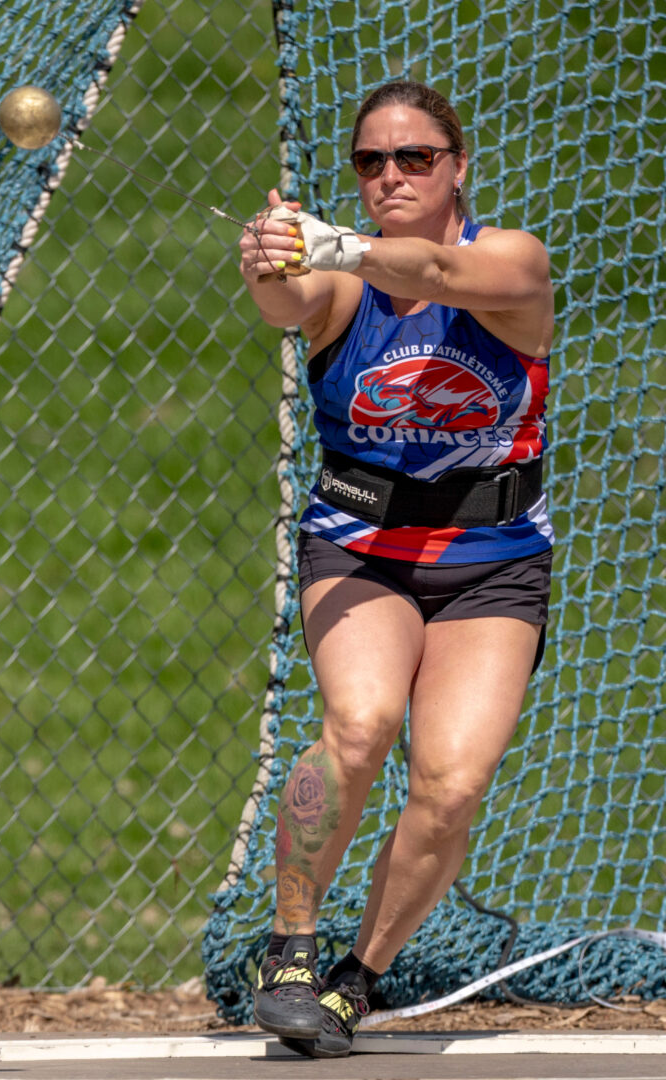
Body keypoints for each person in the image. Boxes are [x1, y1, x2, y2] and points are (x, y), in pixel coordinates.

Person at [238, 80, 554, 1059]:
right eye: (371, 161)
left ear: (458, 166)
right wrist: (271, 261)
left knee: (452, 783)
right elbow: (292, 301)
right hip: (361, 548)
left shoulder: (511, 262)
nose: (391, 176)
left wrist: (334, 240)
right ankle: (291, 946)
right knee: (360, 724)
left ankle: (352, 981)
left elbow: (449, 278)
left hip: (491, 562)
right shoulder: (344, 286)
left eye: (415, 157)